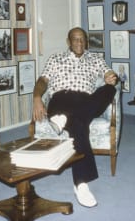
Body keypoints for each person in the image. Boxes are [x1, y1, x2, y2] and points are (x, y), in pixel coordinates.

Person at [32, 27, 118, 208]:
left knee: (109, 90)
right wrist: (37, 97)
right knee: (79, 125)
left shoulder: (95, 58)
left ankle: (63, 119)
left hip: (85, 100)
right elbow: (43, 81)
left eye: (82, 39)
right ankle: (81, 184)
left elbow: (108, 74)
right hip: (61, 98)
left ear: (86, 41)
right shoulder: (56, 58)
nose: (79, 43)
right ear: (68, 42)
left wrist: (111, 77)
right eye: (75, 39)